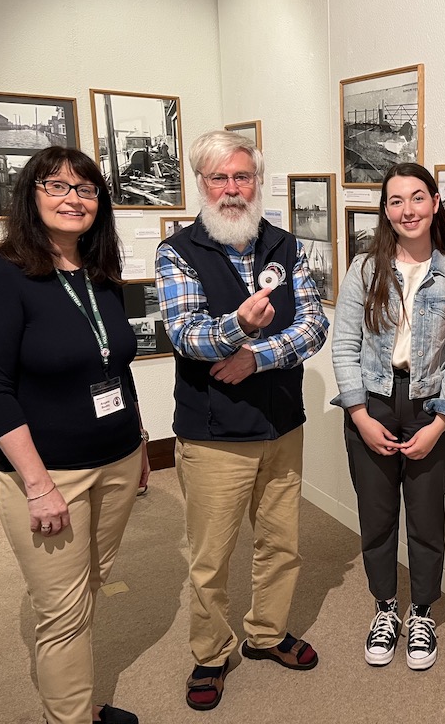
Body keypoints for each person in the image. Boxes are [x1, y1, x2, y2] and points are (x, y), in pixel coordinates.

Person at [0, 146, 150, 724]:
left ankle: (75, 701)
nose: (73, 199)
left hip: (117, 459)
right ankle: (69, 718)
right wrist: (38, 485)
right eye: (57, 186)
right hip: (50, 474)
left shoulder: (99, 272)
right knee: (63, 611)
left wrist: (140, 440)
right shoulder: (3, 275)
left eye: (87, 189)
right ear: (31, 196)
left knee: (87, 587)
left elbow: (115, 364)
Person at [155, 130, 329, 711]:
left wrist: (255, 354)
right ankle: (210, 654)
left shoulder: (287, 245)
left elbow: (314, 327)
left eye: (242, 177)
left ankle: (267, 633)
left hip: (282, 424)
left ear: (258, 181)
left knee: (282, 543)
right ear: (201, 185)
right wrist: (240, 326)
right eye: (219, 179)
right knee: (211, 555)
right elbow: (185, 334)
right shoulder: (178, 251)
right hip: (214, 434)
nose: (232, 190)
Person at [331, 162, 445, 670]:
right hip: (372, 400)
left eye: (417, 198)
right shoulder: (364, 270)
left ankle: (421, 612)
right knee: (376, 515)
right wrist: (358, 414)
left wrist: (440, 423)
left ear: (435, 204)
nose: (407, 210)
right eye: (395, 201)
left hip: (428, 405)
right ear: (385, 211)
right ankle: (386, 607)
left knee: (426, 515)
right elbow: (344, 346)